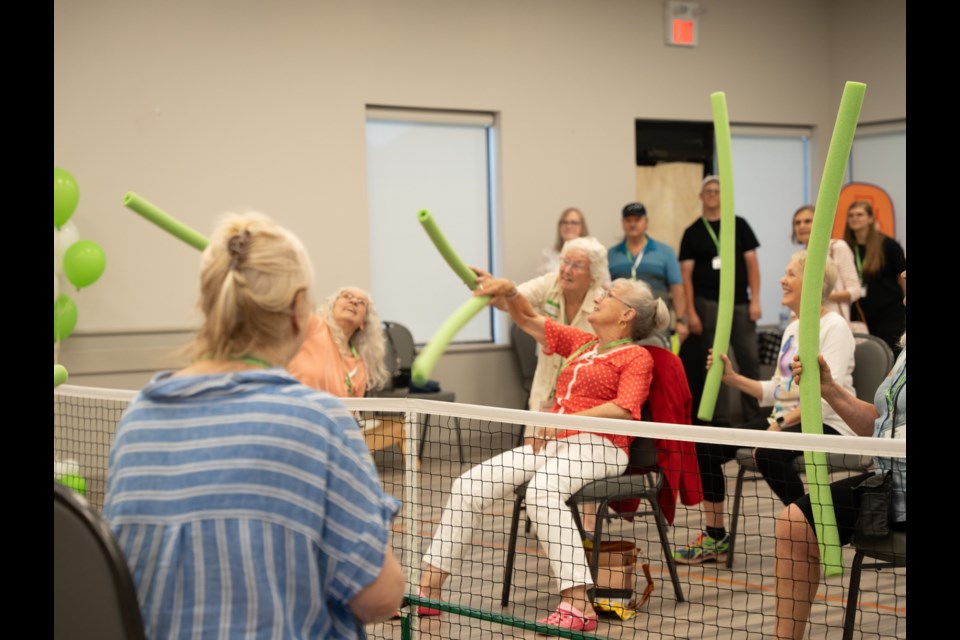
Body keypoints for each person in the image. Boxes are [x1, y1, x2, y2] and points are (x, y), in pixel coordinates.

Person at [103, 213, 403, 638]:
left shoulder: (138, 416)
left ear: (208, 306)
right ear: (300, 310)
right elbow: (380, 598)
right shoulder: (321, 423)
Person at [418, 277, 670, 632]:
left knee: (542, 492)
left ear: (627, 314)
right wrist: (506, 290)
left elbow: (625, 410)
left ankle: (578, 604)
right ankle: (428, 591)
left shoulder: (636, 356)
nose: (597, 297)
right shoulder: (584, 344)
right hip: (555, 444)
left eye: (608, 295)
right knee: (469, 485)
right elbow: (527, 319)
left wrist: (562, 420)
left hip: (602, 447)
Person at [674, 251, 856, 564]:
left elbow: (828, 393)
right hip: (785, 421)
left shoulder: (835, 327)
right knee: (706, 443)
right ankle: (716, 537)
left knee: (767, 453)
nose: (782, 280)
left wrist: (781, 425)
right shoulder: (792, 328)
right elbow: (778, 389)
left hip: (829, 423)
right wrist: (733, 379)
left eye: (790, 274)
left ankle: (815, 529)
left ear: (812, 282)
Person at [773, 271, 905, 639]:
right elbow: (877, 425)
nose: (901, 275)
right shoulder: (905, 349)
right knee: (794, 525)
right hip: (890, 483)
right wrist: (829, 388)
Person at [679, 175, 762, 425]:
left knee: (749, 359)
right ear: (701, 196)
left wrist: (755, 300)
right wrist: (691, 312)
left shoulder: (739, 225)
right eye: (709, 191)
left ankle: (755, 418)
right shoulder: (693, 232)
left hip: (740, 304)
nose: (713, 194)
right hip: (708, 306)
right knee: (715, 363)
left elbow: (752, 264)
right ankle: (721, 421)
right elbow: (686, 275)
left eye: (717, 191)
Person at [607, 202, 689, 344]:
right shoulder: (611, 255)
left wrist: (681, 320)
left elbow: (677, 288)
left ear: (646, 222)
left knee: (657, 361)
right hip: (621, 325)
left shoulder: (665, 252)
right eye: (628, 220)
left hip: (656, 323)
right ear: (622, 223)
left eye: (637, 220)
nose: (632, 224)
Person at [287, 286, 390, 397]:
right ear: (332, 307)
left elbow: (352, 410)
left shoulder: (359, 365)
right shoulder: (314, 325)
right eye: (347, 296)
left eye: (361, 302)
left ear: (363, 323)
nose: (354, 301)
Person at [844, 200, 906, 353]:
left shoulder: (888, 245)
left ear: (871, 219)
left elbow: (903, 275)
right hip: (860, 314)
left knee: (892, 354)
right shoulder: (845, 247)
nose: (854, 218)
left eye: (860, 214)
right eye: (851, 215)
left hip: (889, 312)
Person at [791, 204, 861, 322]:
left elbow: (855, 291)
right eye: (797, 223)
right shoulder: (797, 257)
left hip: (834, 322)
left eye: (808, 221)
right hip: (805, 323)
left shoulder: (837, 248)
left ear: (820, 223)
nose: (802, 226)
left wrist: (819, 295)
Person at [537, 207, 590, 275]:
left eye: (573, 222)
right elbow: (538, 282)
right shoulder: (547, 253)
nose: (568, 226)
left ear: (582, 227)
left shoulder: (592, 254)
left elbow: (604, 283)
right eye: (564, 222)